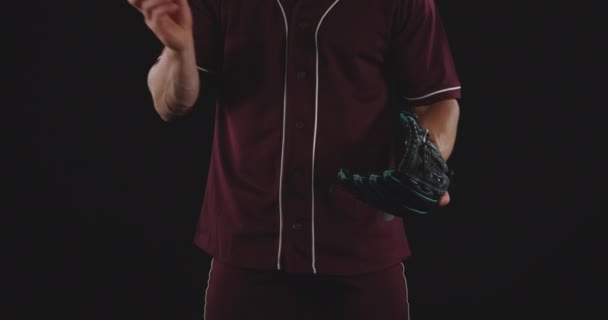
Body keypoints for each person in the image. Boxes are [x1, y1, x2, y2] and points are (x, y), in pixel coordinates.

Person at [128, 0, 461, 319]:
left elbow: (436, 101)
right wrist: (179, 50)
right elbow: (169, 103)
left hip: (362, 246)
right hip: (247, 247)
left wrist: (424, 161)